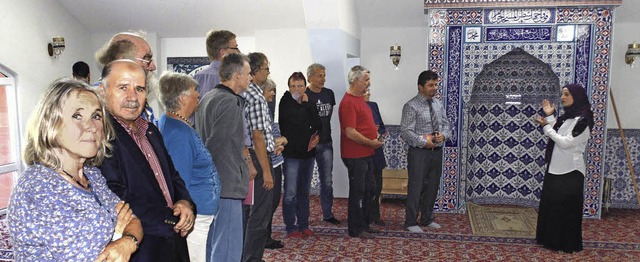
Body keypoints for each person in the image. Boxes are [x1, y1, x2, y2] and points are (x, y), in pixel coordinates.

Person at [8, 78, 142, 261]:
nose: (91, 127)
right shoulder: (39, 187)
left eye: (96, 116)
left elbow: (134, 221)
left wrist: (127, 240)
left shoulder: (91, 175)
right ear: (51, 124)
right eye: (77, 116)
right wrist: (117, 234)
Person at [98, 60, 195, 261]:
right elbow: (115, 197)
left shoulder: (150, 130)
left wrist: (185, 203)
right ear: (103, 90)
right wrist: (171, 219)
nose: (132, 96)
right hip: (141, 248)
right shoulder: (99, 137)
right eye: (123, 87)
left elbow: (172, 176)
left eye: (139, 89)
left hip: (173, 241)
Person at [156, 72, 221, 262]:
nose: (199, 95)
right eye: (195, 91)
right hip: (193, 215)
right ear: (183, 98)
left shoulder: (178, 123)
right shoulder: (177, 132)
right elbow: (179, 178)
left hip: (199, 211)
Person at [194, 53, 252, 262]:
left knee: (214, 243)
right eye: (247, 73)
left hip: (213, 182)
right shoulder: (229, 102)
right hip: (225, 181)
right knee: (227, 247)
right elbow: (218, 143)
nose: (250, 78)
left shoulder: (209, 97)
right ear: (236, 76)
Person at [535, 83, 594, 253]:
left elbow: (565, 142)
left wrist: (545, 127)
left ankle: (566, 243)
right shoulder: (567, 118)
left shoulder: (583, 120)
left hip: (571, 172)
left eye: (567, 94)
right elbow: (559, 132)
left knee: (566, 210)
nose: (563, 97)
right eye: (562, 94)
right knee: (553, 206)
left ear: (578, 96)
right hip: (555, 168)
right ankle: (550, 240)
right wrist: (550, 116)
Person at [400, 70, 451, 233]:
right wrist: (425, 142)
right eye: (430, 85)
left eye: (436, 84)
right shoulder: (411, 106)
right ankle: (411, 221)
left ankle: (427, 218)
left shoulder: (437, 104)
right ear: (420, 86)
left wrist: (444, 135)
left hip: (436, 152)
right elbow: (406, 132)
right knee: (416, 186)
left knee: (433, 185)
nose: (434, 88)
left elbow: (446, 124)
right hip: (419, 153)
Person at [338, 65, 384, 239]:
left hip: (366, 154)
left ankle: (365, 223)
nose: (368, 82)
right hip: (355, 154)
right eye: (366, 79)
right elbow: (350, 132)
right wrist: (371, 143)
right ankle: (356, 228)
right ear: (355, 81)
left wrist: (374, 136)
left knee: (370, 189)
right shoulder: (348, 102)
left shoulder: (360, 99)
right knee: (358, 192)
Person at [241, 52, 276, 261]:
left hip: (249, 156)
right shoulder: (256, 96)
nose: (268, 72)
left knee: (247, 213)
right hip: (257, 157)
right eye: (266, 68)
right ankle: (252, 258)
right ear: (254, 72)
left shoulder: (243, 92)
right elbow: (257, 137)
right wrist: (266, 171)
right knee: (260, 214)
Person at [279, 72, 322, 238]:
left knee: (304, 192)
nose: (296, 89)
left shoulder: (308, 103)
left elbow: (318, 124)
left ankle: (304, 224)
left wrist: (308, 106)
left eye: (300, 86)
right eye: (293, 86)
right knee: (290, 193)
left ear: (305, 87)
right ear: (289, 87)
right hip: (291, 156)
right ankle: (291, 227)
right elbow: (295, 121)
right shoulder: (285, 102)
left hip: (308, 155)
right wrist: (305, 106)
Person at [95, 31, 158, 124]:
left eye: (139, 89)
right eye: (146, 59)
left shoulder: (144, 106)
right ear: (122, 59)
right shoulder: (94, 101)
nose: (153, 66)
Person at [305, 63, 340, 224]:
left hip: (326, 143)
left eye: (324, 75)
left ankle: (327, 213)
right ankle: (303, 215)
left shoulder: (329, 94)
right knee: (304, 181)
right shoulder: (304, 94)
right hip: (307, 145)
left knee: (327, 180)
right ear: (309, 77)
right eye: (319, 75)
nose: (323, 79)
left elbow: (328, 117)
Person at [261, 77, 288, 249]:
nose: (273, 94)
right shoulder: (256, 111)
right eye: (271, 90)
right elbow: (260, 139)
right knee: (265, 204)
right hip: (266, 163)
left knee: (273, 201)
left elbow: (276, 134)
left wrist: (280, 143)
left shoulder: (268, 112)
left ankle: (266, 236)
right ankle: (262, 239)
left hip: (276, 162)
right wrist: (276, 142)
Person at [364, 89, 388, 226]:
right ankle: (364, 216)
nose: (368, 92)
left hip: (377, 151)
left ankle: (375, 215)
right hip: (363, 152)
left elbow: (382, 127)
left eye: (369, 89)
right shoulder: (354, 107)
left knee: (377, 186)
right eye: (365, 90)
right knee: (367, 187)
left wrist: (379, 134)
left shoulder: (373, 105)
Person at [194, 30, 240, 98]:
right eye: (235, 48)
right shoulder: (232, 78)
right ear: (223, 53)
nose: (238, 51)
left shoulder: (197, 77)